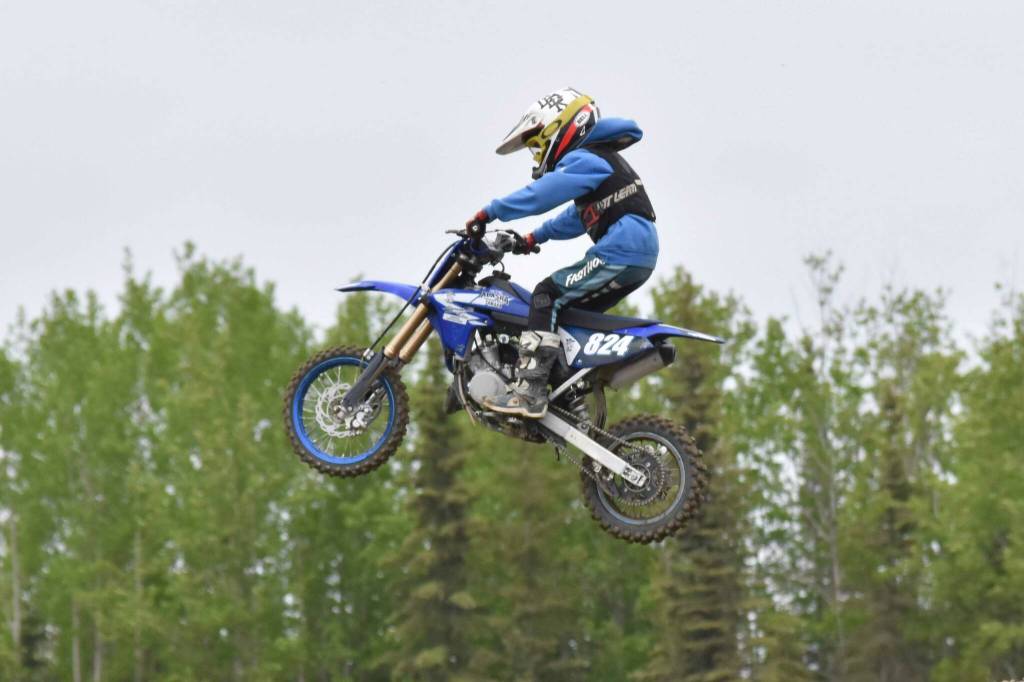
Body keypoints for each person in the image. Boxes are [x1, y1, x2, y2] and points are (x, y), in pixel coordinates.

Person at [466, 87, 659, 419]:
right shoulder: (599, 160)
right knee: (566, 315)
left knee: (545, 296)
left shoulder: (586, 157)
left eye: (537, 147)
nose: (537, 157)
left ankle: (530, 392)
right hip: (637, 253)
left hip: (621, 250)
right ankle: (563, 384)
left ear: (560, 129)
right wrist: (532, 238)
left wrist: (491, 211)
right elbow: (576, 217)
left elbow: (542, 194)